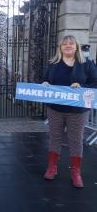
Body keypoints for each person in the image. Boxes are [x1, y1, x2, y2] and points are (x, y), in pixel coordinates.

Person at [42, 35, 97, 188]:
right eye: (64, 44)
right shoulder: (53, 64)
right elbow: (46, 79)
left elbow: (95, 82)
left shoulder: (86, 64)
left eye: (71, 43)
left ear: (76, 47)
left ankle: (76, 172)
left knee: (75, 139)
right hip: (55, 108)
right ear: (60, 47)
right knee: (55, 137)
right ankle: (52, 167)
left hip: (77, 110)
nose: (67, 46)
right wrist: (45, 83)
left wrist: (82, 87)